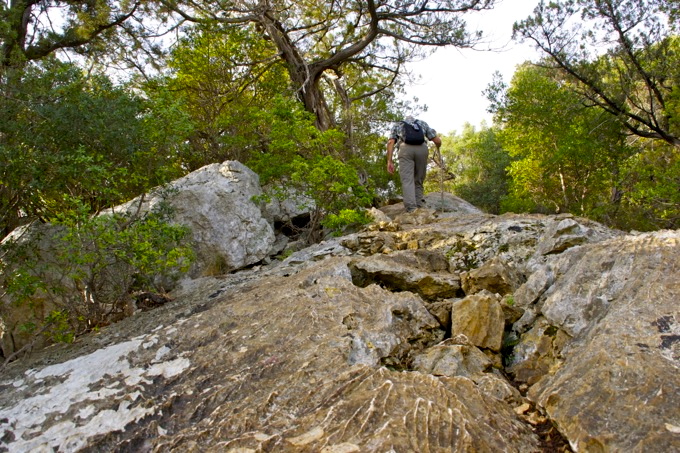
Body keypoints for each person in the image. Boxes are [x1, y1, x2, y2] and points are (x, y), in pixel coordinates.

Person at [386, 116, 442, 212]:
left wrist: (389, 161)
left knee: (407, 180)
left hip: (405, 150)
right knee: (419, 179)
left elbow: (391, 142)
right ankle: (420, 206)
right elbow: (437, 140)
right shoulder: (422, 123)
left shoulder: (398, 124)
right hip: (422, 149)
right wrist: (438, 149)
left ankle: (412, 209)